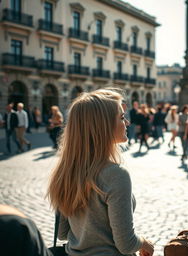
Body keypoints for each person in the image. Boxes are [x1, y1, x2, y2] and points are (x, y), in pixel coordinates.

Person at [0, 89, 154, 256]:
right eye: (122, 117)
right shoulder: (116, 174)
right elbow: (126, 243)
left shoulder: (67, 170)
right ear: (103, 125)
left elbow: (62, 233)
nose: (127, 123)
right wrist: (146, 243)